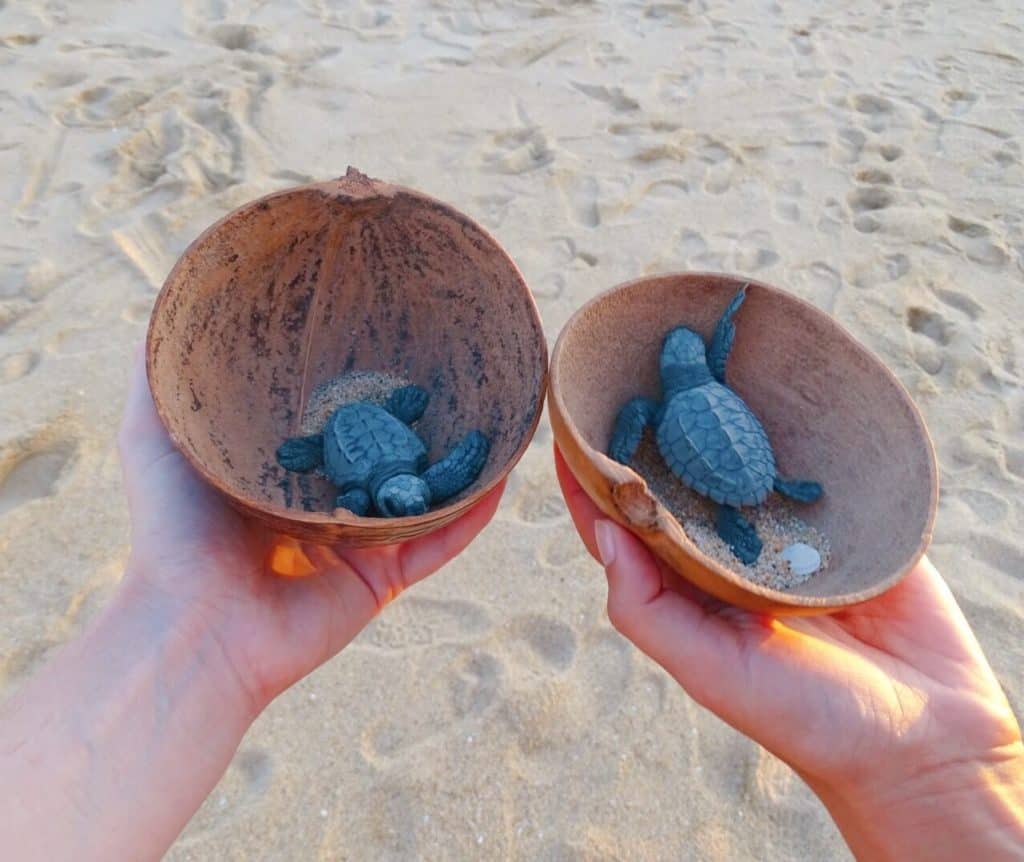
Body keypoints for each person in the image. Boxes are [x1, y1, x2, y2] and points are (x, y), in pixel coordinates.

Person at [1, 354, 1022, 860]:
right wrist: (940, 774)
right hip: (382, 452)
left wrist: (937, 768)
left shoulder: (391, 483)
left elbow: (626, 421)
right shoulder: (376, 491)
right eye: (393, 502)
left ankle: (762, 516)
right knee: (380, 448)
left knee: (392, 448)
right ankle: (768, 508)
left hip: (426, 451)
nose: (403, 505)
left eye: (401, 496)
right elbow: (375, 471)